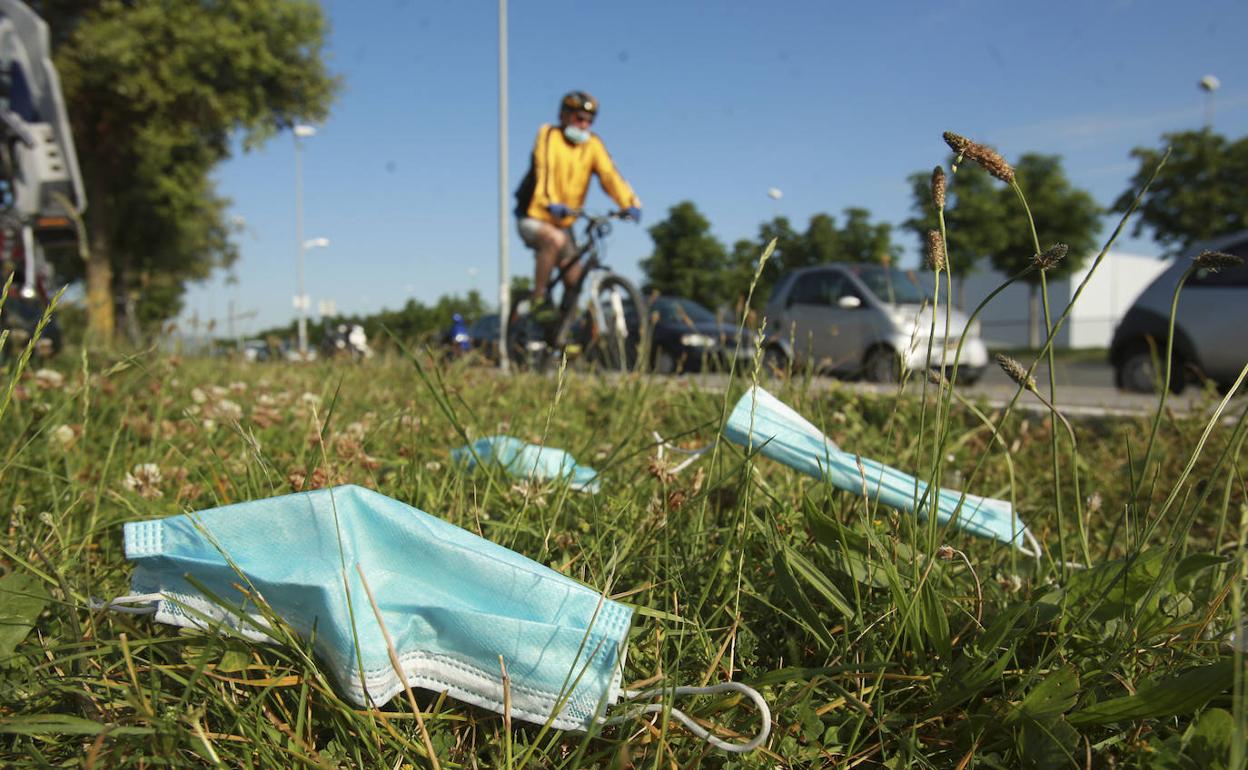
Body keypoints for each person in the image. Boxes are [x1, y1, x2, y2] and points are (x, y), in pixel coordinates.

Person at [513, 91, 641, 322]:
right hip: (534, 214)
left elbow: (610, 175)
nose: (584, 125)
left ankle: (562, 333)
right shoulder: (548, 135)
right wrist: (550, 202)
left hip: (564, 221)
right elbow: (545, 171)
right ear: (564, 116)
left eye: (589, 121)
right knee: (554, 240)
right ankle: (539, 299)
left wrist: (630, 203)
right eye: (579, 118)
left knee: (575, 278)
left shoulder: (593, 145)